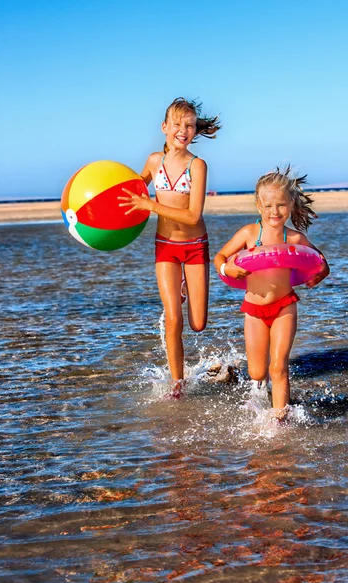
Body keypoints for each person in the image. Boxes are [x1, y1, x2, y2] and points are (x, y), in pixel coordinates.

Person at [118, 98, 221, 397]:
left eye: (189, 125)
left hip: (194, 246)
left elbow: (192, 215)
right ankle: (178, 383)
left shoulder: (197, 165)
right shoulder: (154, 162)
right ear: (164, 127)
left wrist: (151, 205)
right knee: (173, 318)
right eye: (177, 124)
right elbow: (130, 191)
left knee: (198, 323)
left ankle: (186, 288)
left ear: (195, 131)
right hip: (165, 247)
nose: (183, 129)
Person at [214, 166, 330, 420]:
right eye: (268, 206)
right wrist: (227, 268)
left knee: (278, 366)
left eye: (280, 205)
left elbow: (320, 261)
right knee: (257, 372)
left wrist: (320, 273)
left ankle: (280, 419)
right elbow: (220, 257)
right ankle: (259, 389)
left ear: (290, 204)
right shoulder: (249, 234)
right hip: (254, 311)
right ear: (258, 205)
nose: (274, 212)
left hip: (284, 306)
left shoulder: (295, 239)